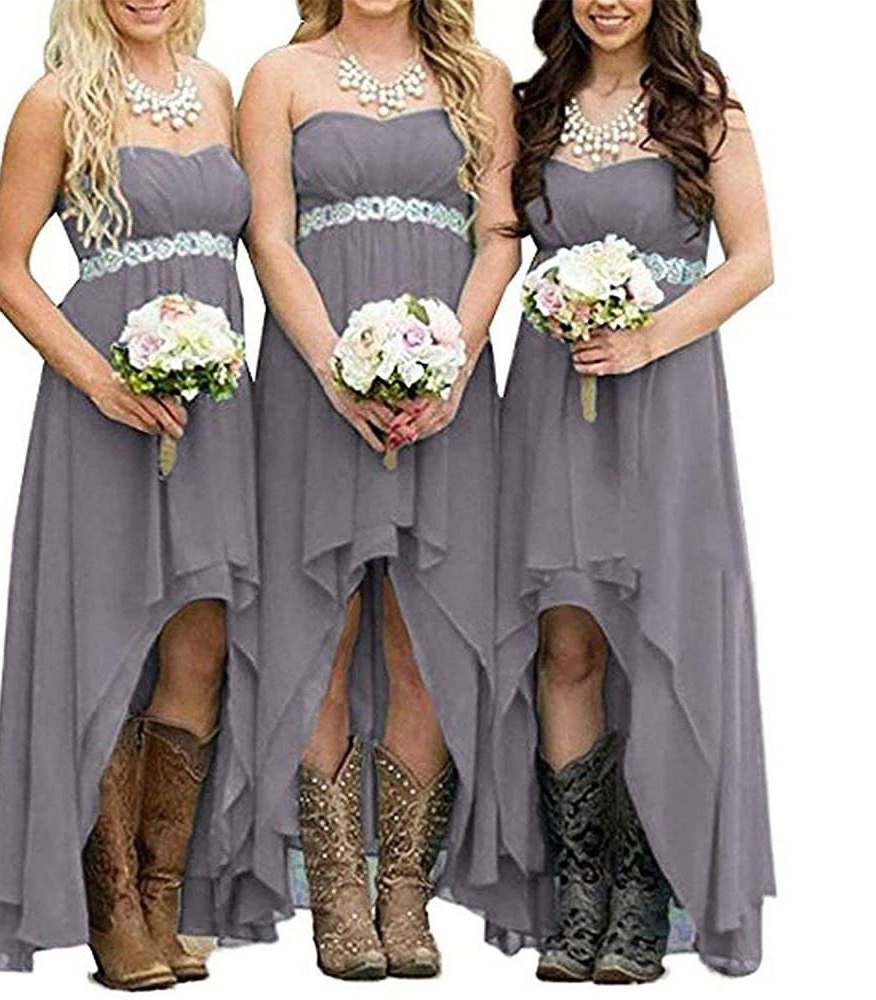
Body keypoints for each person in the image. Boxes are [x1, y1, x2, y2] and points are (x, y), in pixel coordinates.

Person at [0, 0, 262, 988]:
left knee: (203, 636)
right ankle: (114, 910)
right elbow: (6, 270)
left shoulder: (221, 90)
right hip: (103, 401)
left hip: (219, 399)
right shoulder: (54, 101)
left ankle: (166, 886)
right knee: (104, 638)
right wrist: (100, 379)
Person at [490, 0, 775, 983]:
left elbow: (754, 261)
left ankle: (646, 894)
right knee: (563, 638)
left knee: (660, 636)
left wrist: (650, 335)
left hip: (668, 396)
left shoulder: (706, 109)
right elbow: (497, 241)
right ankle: (581, 892)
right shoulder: (533, 109)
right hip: (546, 396)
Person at [239, 0, 519, 980]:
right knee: (323, 622)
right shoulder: (278, 74)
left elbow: (498, 235)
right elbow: (268, 237)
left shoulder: (479, 74)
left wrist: (452, 361)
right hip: (311, 382)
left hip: (448, 388)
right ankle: (338, 895)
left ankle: (405, 890)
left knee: (426, 622)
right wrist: (331, 369)